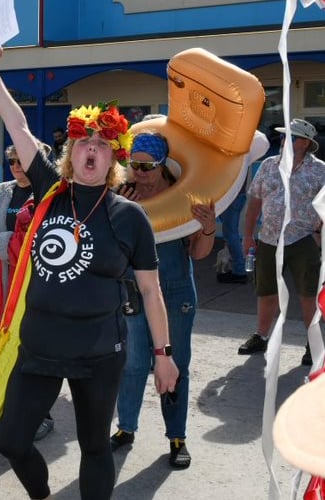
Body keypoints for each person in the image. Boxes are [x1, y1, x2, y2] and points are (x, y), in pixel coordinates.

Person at [0, 39, 179, 500]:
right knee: (11, 442)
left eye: (102, 146)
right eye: (83, 144)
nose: (91, 152)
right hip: (40, 348)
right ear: (71, 153)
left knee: (94, 448)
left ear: (115, 159)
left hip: (99, 353)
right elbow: (16, 122)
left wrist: (163, 355)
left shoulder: (131, 217)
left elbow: (151, 292)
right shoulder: (51, 191)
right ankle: (42, 495)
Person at [110, 132, 216, 469]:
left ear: (162, 166)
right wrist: (118, 212)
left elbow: (199, 254)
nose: (139, 172)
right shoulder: (120, 196)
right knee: (134, 363)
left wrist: (208, 229)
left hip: (175, 290)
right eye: (134, 164)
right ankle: (126, 428)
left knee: (175, 363)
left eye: (146, 166)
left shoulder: (184, 197)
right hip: (134, 289)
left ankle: (177, 437)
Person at [0, 143, 57, 441]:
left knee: (31, 348)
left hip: (34, 286)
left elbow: (35, 245)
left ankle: (39, 414)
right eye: (12, 161)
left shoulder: (50, 195)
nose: (17, 166)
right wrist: (9, 242)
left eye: (22, 161)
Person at [238, 118, 325, 366]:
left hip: (303, 240)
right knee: (266, 291)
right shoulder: (268, 165)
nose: (286, 141)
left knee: (308, 294)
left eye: (293, 137)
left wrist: (319, 236)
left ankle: (313, 343)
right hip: (268, 239)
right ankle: (261, 336)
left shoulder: (320, 170)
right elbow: (254, 201)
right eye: (285, 136)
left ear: (307, 143)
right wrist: (248, 236)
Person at [216, 131, 270, 284]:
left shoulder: (234, 157)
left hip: (231, 198)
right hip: (235, 197)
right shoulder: (241, 156)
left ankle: (240, 271)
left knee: (230, 234)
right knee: (230, 234)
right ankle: (237, 267)